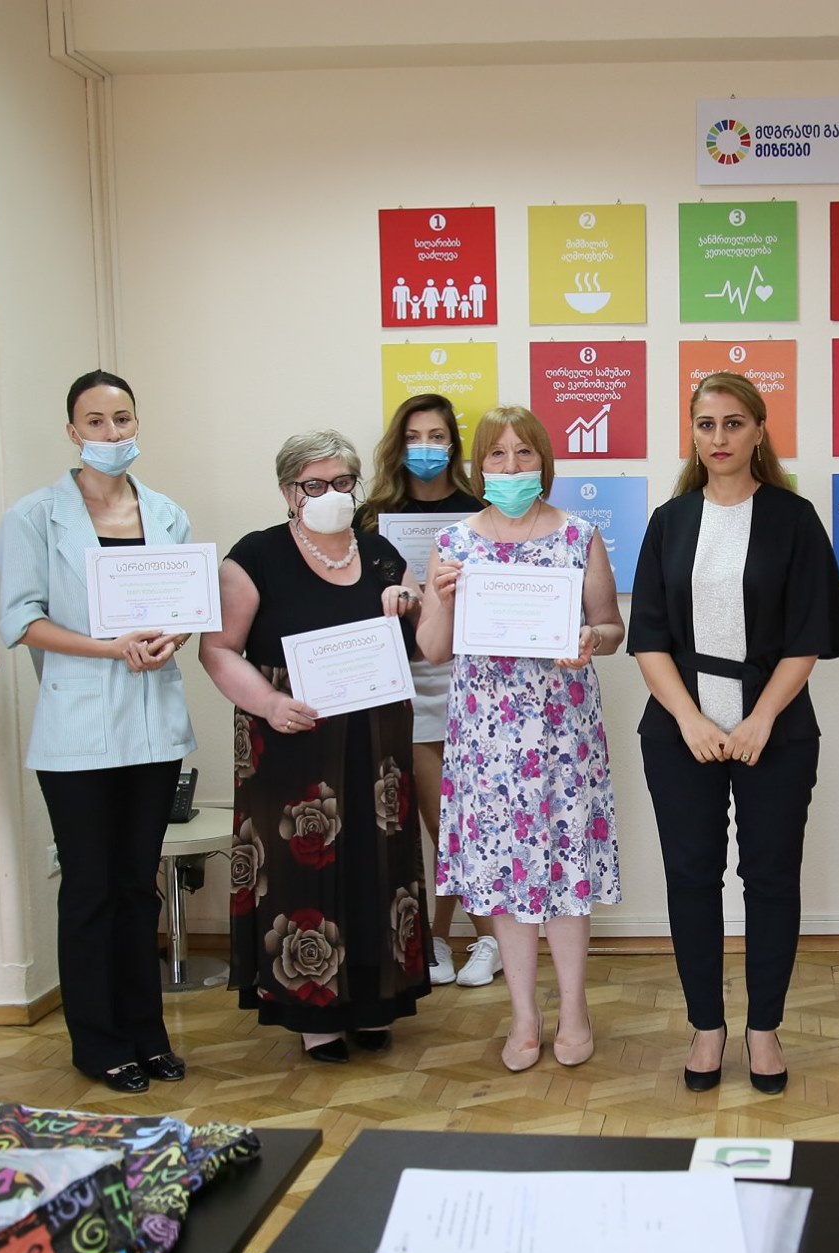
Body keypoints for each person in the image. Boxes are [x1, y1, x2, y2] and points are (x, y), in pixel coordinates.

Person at [630, 373, 839, 1094]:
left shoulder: (794, 518)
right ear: (693, 435)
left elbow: (808, 635)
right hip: (680, 732)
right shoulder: (669, 521)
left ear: (759, 431)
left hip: (776, 730)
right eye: (706, 424)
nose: (719, 437)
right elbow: (648, 639)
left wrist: (760, 717)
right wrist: (690, 718)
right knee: (691, 877)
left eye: (733, 423)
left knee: (771, 877)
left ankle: (763, 1028)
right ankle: (707, 1026)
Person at [198, 430, 431, 1063]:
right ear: (288, 492)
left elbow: (424, 645)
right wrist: (268, 703)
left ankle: (374, 1001)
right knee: (300, 869)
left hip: (375, 743)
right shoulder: (256, 556)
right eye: (314, 484)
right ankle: (312, 1014)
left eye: (342, 482)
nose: (331, 494)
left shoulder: (380, 554)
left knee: (377, 867)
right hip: (291, 739)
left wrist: (411, 606)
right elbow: (217, 651)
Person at [0, 370, 195, 1093]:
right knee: (89, 886)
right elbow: (20, 619)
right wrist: (109, 648)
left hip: (152, 723)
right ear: (72, 431)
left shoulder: (166, 513)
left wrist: (169, 637)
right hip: (77, 725)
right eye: (96, 421)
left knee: (138, 885)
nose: (112, 433)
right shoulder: (34, 516)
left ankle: (147, 1033)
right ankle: (98, 1040)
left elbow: (185, 604)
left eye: (122, 419)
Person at [417, 405, 624, 1072]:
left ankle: (575, 1009)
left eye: (524, 453)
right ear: (479, 465)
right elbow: (432, 648)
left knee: (564, 869)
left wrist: (591, 639)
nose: (511, 466)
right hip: (486, 740)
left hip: (562, 734)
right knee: (503, 873)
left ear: (544, 461)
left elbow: (612, 628)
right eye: (497, 454)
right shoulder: (453, 543)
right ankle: (524, 1015)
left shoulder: (579, 535)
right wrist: (444, 598)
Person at [362, 393, 499, 989]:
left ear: (454, 445)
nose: (425, 448)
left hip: (470, 676)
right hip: (404, 676)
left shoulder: (481, 512)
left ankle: (452, 937)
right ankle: (479, 936)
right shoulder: (372, 519)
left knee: (467, 816)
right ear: (399, 445)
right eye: (414, 437)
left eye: (437, 437)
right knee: (437, 819)